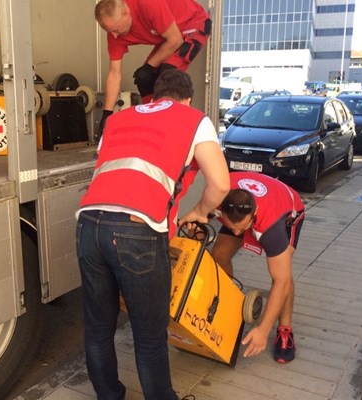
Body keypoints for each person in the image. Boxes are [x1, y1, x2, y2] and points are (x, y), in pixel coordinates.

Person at [75, 69, 229, 400]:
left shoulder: (118, 118)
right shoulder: (193, 119)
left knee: (99, 328)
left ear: (153, 97)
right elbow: (221, 183)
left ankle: (109, 396)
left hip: (88, 223)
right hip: (136, 229)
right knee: (149, 336)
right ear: (188, 99)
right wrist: (200, 212)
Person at [211, 171, 305, 364]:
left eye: (242, 228)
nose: (237, 232)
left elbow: (282, 281)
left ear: (254, 214)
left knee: (282, 275)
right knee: (219, 254)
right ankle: (228, 302)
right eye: (232, 227)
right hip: (241, 208)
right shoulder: (216, 193)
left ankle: (285, 331)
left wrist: (263, 329)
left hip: (286, 211)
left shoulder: (271, 227)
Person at [94, 0, 212, 137]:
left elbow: (175, 40)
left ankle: (182, 132)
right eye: (109, 31)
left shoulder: (148, 4)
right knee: (144, 79)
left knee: (167, 78)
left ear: (125, 12)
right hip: (168, 35)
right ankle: (154, 124)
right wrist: (107, 115)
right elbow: (114, 74)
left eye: (115, 29)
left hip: (193, 24)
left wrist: (149, 66)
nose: (114, 35)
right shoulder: (115, 33)